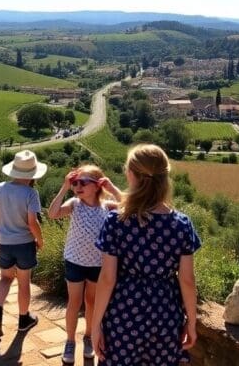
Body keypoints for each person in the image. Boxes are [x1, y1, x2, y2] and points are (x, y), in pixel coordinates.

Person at [91, 144, 201, 365]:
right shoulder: (182, 224)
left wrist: (95, 325)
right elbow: (187, 281)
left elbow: (107, 279)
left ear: (132, 175)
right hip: (165, 313)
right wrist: (191, 322)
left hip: (124, 312)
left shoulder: (116, 221)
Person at [48, 164, 122, 365]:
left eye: (83, 182)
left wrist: (112, 188)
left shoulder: (107, 206)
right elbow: (52, 214)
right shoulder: (74, 204)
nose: (78, 186)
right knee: (74, 302)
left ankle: (88, 337)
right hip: (74, 261)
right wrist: (64, 187)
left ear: (97, 186)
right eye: (75, 182)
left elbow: (130, 206)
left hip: (97, 264)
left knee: (91, 302)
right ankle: (70, 341)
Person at [0, 149, 47, 338]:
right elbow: (32, 222)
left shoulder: (0, 188)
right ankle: (23, 319)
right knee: (23, 282)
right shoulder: (31, 193)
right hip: (24, 244)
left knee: (5, 278)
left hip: (5, 243)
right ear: (32, 174)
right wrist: (40, 240)